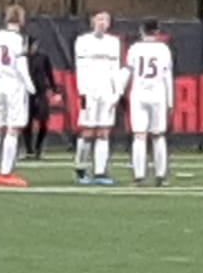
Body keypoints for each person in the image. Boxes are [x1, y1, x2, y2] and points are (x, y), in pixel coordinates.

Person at [0, 5, 35, 187]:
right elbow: (21, 66)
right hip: (14, 84)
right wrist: (30, 87)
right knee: (13, 128)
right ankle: (6, 172)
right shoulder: (19, 39)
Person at [72, 11, 123, 185]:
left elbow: (116, 69)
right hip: (90, 91)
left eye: (106, 19)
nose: (103, 23)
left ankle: (100, 172)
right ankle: (80, 168)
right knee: (88, 130)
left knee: (104, 131)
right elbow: (80, 67)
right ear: (93, 21)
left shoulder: (114, 42)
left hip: (107, 91)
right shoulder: (83, 41)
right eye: (100, 19)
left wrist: (117, 92)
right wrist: (82, 91)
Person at [124, 19, 174, 187]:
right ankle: (161, 175)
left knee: (139, 136)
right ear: (157, 32)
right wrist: (170, 101)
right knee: (158, 135)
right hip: (158, 94)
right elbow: (167, 76)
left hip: (139, 94)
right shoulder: (163, 49)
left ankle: (139, 175)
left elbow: (129, 71)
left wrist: (119, 92)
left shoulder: (135, 48)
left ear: (142, 31)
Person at [22, 37, 58, 160]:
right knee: (27, 122)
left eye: (35, 45)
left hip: (41, 93)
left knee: (43, 120)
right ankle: (29, 150)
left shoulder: (43, 57)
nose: (33, 47)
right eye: (31, 45)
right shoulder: (22, 58)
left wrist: (54, 89)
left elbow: (49, 74)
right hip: (26, 93)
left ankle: (38, 147)